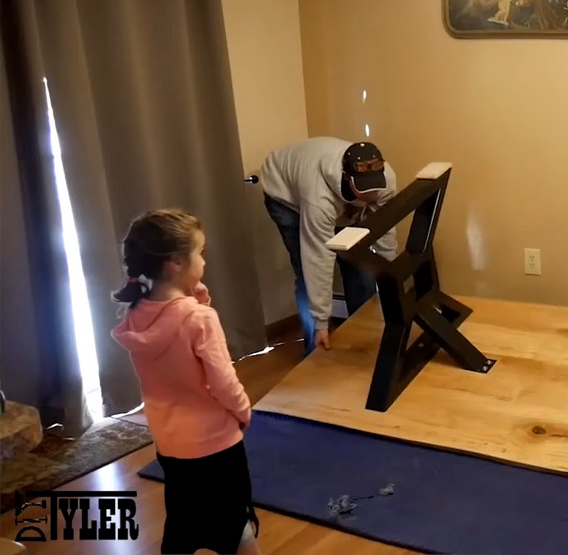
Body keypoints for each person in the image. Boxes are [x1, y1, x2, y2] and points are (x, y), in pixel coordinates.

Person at [110, 209, 261, 555]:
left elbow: (171, 362)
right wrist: (243, 411)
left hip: (171, 442)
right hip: (215, 443)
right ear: (176, 262)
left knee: (184, 519)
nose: (204, 261)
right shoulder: (199, 319)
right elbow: (223, 381)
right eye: (200, 252)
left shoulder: (138, 314)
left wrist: (196, 301)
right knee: (235, 524)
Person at [260, 137, 398, 356]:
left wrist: (390, 278)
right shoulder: (319, 200)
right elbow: (317, 258)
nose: (372, 195)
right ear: (346, 178)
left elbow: (385, 232)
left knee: (360, 268)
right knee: (307, 273)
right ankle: (315, 345)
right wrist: (321, 321)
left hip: (336, 204)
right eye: (364, 189)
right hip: (284, 194)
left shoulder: (386, 181)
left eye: (375, 188)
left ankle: (363, 340)